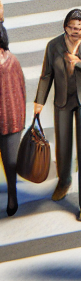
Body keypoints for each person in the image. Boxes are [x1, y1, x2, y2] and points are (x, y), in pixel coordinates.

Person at [33, 9, 81, 222]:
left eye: (80, 28)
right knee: (62, 145)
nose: (76, 32)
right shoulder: (54, 46)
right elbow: (46, 75)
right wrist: (39, 101)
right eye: (72, 27)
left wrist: (80, 64)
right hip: (62, 100)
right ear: (65, 27)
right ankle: (64, 180)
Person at [0, 23, 25, 216]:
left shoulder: (11, 61)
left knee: (10, 162)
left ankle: (12, 194)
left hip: (10, 119)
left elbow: (20, 89)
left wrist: (20, 118)